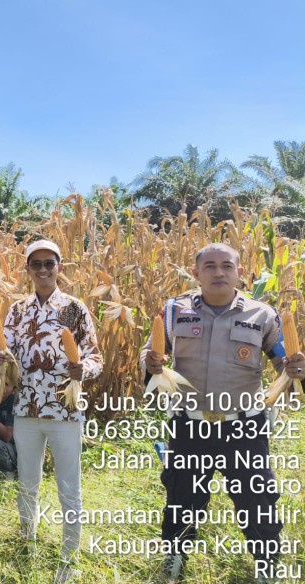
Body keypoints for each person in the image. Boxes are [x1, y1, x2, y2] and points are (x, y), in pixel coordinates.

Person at [141, 242, 305, 584]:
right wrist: (152, 362)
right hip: (190, 425)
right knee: (182, 495)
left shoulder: (263, 315)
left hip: (243, 426)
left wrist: (295, 369)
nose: (219, 272)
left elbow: (283, 363)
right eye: (210, 266)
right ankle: (175, 559)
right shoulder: (174, 311)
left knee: (257, 497)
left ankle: (267, 564)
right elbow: (151, 354)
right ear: (196, 273)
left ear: (239, 273)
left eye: (227, 266)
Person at [0, 239, 103, 584]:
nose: (43, 270)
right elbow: (4, 353)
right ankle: (26, 546)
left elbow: (95, 356)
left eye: (49, 263)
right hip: (26, 409)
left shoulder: (73, 308)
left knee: (68, 488)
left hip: (65, 411)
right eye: (36, 264)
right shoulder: (18, 311)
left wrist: (84, 369)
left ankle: (69, 560)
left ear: (59, 267)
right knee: (27, 484)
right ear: (27, 269)